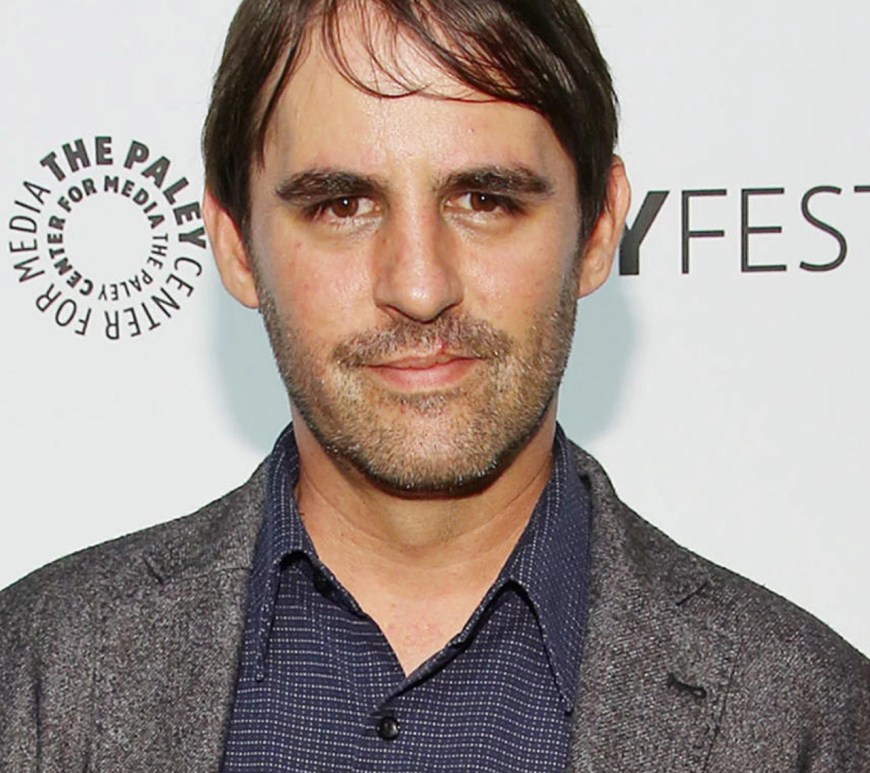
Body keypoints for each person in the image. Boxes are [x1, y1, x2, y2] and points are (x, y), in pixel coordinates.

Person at [1, 0, 867, 769]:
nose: (419, 286)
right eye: (342, 205)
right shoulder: (36, 673)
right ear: (234, 245)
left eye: (485, 199)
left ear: (600, 227)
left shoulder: (803, 718)